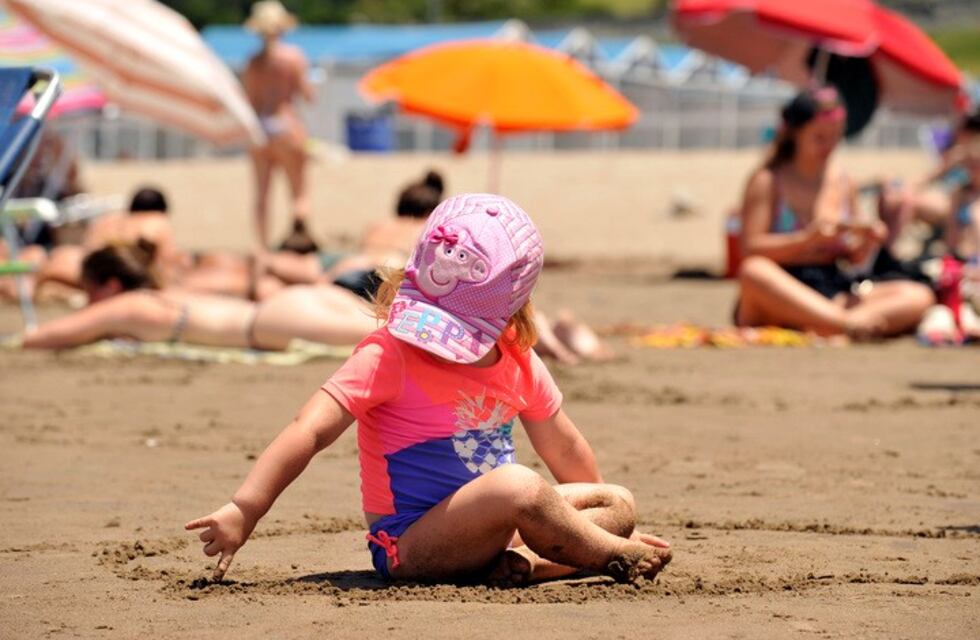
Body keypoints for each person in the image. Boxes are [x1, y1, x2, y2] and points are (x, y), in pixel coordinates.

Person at [185, 194, 672, 586]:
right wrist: (245, 509)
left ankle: (530, 565)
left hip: (498, 533)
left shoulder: (518, 358)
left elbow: (564, 448)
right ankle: (608, 556)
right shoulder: (389, 354)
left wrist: (594, 528)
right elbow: (308, 430)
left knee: (616, 501)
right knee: (517, 484)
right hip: (412, 546)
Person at [735, 87, 934, 338]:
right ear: (795, 133)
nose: (828, 146)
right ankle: (846, 324)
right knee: (754, 271)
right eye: (819, 137)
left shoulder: (843, 181)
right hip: (782, 286)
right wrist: (806, 241)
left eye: (835, 137)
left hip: (830, 288)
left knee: (917, 295)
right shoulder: (768, 180)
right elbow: (750, 249)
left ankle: (831, 323)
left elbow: (853, 260)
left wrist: (866, 242)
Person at [20, 240, 377, 351]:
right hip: (292, 302)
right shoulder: (165, 293)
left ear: (111, 285)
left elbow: (45, 336)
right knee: (393, 327)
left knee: (393, 334)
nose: (88, 302)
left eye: (89, 292)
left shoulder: (126, 305)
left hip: (274, 323)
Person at [243, 0, 314, 247]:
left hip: (260, 128)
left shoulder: (253, 62)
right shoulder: (293, 57)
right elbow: (307, 95)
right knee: (299, 192)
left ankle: (263, 248)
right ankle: (298, 244)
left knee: (262, 194)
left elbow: (250, 100)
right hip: (286, 124)